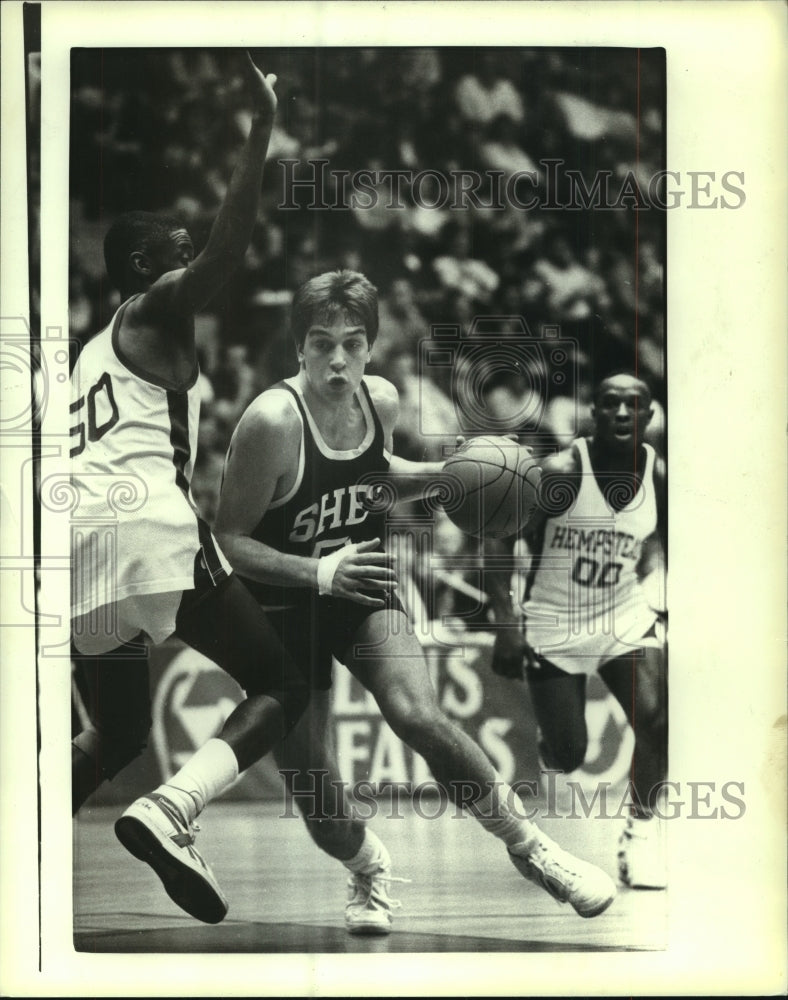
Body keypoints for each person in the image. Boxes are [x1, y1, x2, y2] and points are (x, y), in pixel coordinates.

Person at [212, 269, 618, 933]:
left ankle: (533, 848)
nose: (336, 358)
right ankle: (369, 865)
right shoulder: (271, 422)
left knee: (416, 715)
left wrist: (446, 475)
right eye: (320, 343)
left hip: (362, 589)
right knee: (317, 798)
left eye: (350, 343)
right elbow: (228, 540)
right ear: (299, 349)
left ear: (371, 347)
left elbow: (372, 479)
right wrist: (318, 573)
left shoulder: (383, 402)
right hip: (281, 609)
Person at [70, 54, 310, 925]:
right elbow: (229, 247)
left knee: (116, 733)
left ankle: (18, 847)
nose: (189, 248)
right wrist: (259, 128)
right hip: (150, 528)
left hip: (82, 555)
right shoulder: (155, 308)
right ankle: (173, 809)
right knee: (284, 682)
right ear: (143, 261)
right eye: (175, 241)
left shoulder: (86, 356)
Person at [486, 372, 668, 889]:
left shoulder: (658, 476)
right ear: (593, 412)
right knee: (568, 757)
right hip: (555, 622)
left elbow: (660, 542)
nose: (620, 413)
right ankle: (555, 739)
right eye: (609, 403)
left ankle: (640, 837)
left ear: (648, 417)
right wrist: (505, 624)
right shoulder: (562, 471)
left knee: (657, 719)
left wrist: (657, 578)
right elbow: (500, 539)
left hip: (623, 615)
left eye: (633, 405)